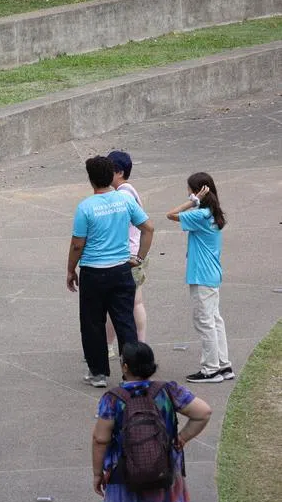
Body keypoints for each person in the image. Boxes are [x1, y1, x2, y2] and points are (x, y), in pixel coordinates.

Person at [92, 341, 212, 502]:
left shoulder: (112, 399)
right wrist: (183, 437)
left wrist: (97, 474)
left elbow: (100, 439)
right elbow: (204, 412)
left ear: (125, 367)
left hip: (125, 476)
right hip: (164, 472)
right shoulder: (168, 390)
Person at [68, 156, 155, 387]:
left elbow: (78, 244)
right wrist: (139, 257)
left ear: (91, 179)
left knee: (92, 322)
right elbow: (148, 228)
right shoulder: (124, 201)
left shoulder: (86, 207)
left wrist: (70, 269)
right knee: (125, 321)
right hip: (121, 270)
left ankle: (98, 373)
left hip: (94, 271)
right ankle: (133, 373)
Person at [165, 173, 234, 383]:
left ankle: (210, 369)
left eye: (189, 190)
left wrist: (190, 202)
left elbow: (170, 214)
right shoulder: (213, 214)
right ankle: (223, 364)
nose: (187, 192)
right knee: (214, 320)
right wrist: (197, 202)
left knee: (204, 322)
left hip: (202, 275)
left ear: (197, 191)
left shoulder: (200, 215)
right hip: (211, 274)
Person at [105, 151, 147, 358]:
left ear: (119, 172)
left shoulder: (122, 195)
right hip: (136, 251)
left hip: (128, 254)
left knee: (124, 304)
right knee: (133, 302)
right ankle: (137, 346)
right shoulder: (129, 190)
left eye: (109, 169)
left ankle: (122, 346)